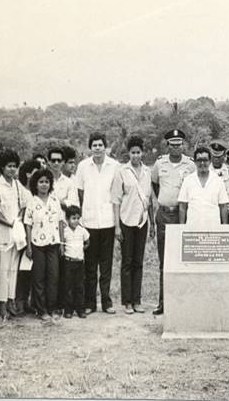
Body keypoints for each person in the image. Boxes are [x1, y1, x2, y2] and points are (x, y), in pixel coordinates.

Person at [150, 129, 195, 315]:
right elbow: (155, 185)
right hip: (164, 216)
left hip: (182, 215)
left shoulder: (190, 165)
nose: (176, 148)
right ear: (167, 146)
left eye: (179, 144)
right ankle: (163, 302)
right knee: (165, 260)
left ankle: (183, 301)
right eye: (172, 144)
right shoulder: (159, 164)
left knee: (184, 259)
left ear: (183, 145)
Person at [75, 132, 119, 315]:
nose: (98, 148)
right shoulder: (83, 166)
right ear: (90, 147)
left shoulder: (114, 166)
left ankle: (106, 302)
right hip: (90, 222)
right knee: (90, 266)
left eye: (101, 145)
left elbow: (116, 193)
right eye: (94, 145)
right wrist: (85, 216)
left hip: (108, 221)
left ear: (106, 147)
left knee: (106, 265)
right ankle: (90, 302)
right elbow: (80, 193)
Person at [111, 136, 153, 314]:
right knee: (127, 262)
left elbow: (149, 200)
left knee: (138, 262)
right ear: (128, 153)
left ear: (142, 153)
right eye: (133, 152)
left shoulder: (147, 171)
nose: (136, 155)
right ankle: (127, 302)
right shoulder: (122, 171)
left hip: (142, 222)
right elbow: (116, 200)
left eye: (138, 152)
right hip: (126, 221)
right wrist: (117, 227)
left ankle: (137, 300)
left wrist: (151, 223)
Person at [0, 149, 26, 319]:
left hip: (17, 235)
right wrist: (9, 223)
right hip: (3, 233)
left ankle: (11, 301)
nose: (12, 169)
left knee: (13, 269)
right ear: (2, 168)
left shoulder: (18, 185)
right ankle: (1, 304)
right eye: (9, 166)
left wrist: (19, 219)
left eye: (14, 166)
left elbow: (26, 204)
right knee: (3, 270)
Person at [23, 169, 62, 321]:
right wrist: (28, 246)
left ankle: (52, 308)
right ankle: (41, 310)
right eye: (41, 182)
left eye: (46, 182)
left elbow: (60, 222)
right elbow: (28, 225)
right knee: (39, 277)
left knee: (53, 276)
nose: (44, 185)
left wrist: (62, 244)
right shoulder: (32, 202)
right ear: (35, 184)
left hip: (53, 243)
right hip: (37, 244)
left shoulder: (55, 201)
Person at [14, 159, 41, 315]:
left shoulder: (36, 192)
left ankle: (28, 301)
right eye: (35, 172)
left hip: (36, 236)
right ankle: (19, 301)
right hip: (23, 236)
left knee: (31, 271)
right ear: (28, 174)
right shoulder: (23, 192)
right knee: (22, 271)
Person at [178, 147, 229, 226]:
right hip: (193, 226)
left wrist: (225, 226)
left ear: (210, 161)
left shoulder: (218, 180)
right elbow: (182, 206)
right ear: (195, 162)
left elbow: (223, 206)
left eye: (205, 160)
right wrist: (181, 227)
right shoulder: (188, 180)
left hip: (213, 226)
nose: (202, 163)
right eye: (199, 160)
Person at [59, 205, 90, 319]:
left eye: (77, 218)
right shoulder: (65, 231)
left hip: (79, 262)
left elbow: (87, 241)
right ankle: (68, 310)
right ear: (67, 219)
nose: (76, 221)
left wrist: (83, 247)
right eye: (73, 218)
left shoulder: (82, 230)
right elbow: (62, 244)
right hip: (68, 262)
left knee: (79, 286)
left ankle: (80, 309)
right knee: (68, 286)